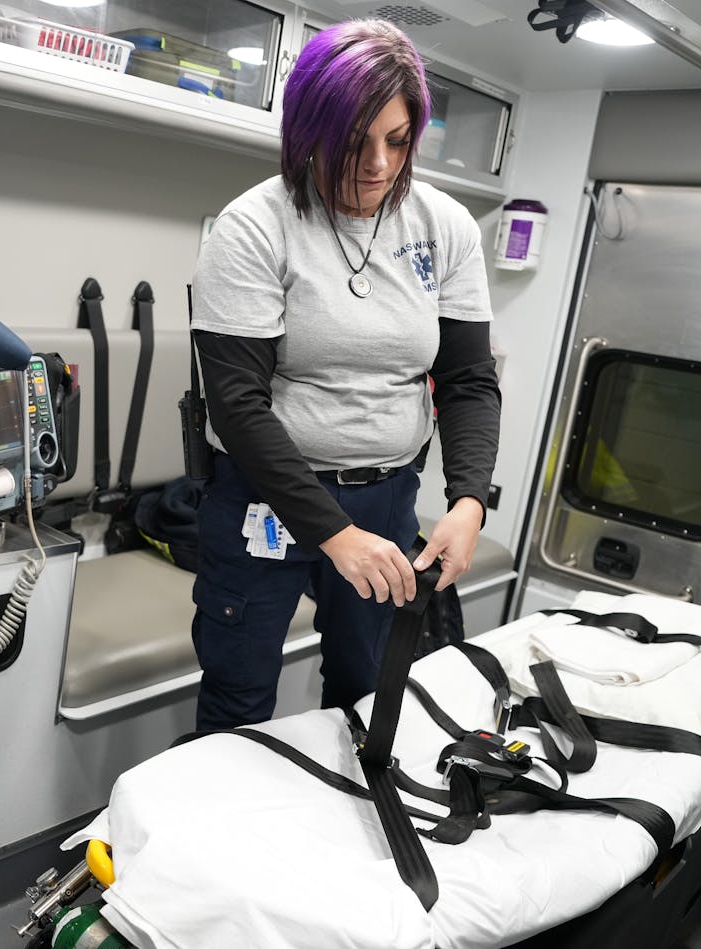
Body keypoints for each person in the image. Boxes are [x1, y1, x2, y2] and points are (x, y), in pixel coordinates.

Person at [189, 19, 501, 729]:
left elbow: (468, 382)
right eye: (354, 142)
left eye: (397, 140)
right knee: (238, 699)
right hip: (264, 500)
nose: (379, 164)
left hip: (386, 499)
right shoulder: (253, 228)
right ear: (306, 132)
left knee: (368, 689)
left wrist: (468, 501)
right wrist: (332, 531)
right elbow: (238, 404)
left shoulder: (445, 228)